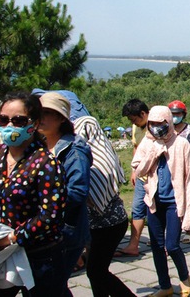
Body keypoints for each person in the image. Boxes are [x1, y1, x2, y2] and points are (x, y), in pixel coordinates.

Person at [0, 92, 66, 297]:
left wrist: (10, 238)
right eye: (3, 119)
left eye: (18, 120)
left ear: (34, 124)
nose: (10, 126)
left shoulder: (46, 163)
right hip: (2, 254)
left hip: (39, 256)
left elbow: (50, 216)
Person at [132, 106, 190, 297]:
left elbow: (189, 179)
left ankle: (185, 278)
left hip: (175, 202)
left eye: (161, 124)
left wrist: (189, 214)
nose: (157, 128)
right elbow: (138, 169)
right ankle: (165, 286)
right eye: (153, 124)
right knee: (157, 246)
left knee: (172, 245)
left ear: (168, 122)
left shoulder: (182, 144)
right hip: (154, 201)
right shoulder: (148, 142)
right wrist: (153, 152)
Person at [37, 91, 93, 296]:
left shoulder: (74, 150)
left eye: (47, 113)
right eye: (38, 113)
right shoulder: (39, 146)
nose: (40, 118)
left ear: (61, 118)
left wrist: (45, 204)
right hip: (42, 229)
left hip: (66, 231)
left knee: (52, 286)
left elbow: (77, 192)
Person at [75, 115, 135, 297]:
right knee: (95, 272)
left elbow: (94, 196)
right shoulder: (85, 154)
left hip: (109, 225)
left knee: (96, 271)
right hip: (94, 225)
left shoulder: (100, 157)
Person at [116, 98, 150, 257]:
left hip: (156, 178)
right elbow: (136, 148)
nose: (133, 123)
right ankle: (133, 245)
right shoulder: (136, 128)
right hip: (141, 177)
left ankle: (165, 244)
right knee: (137, 209)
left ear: (143, 113)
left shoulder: (158, 126)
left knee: (158, 212)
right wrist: (133, 170)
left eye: (134, 119)